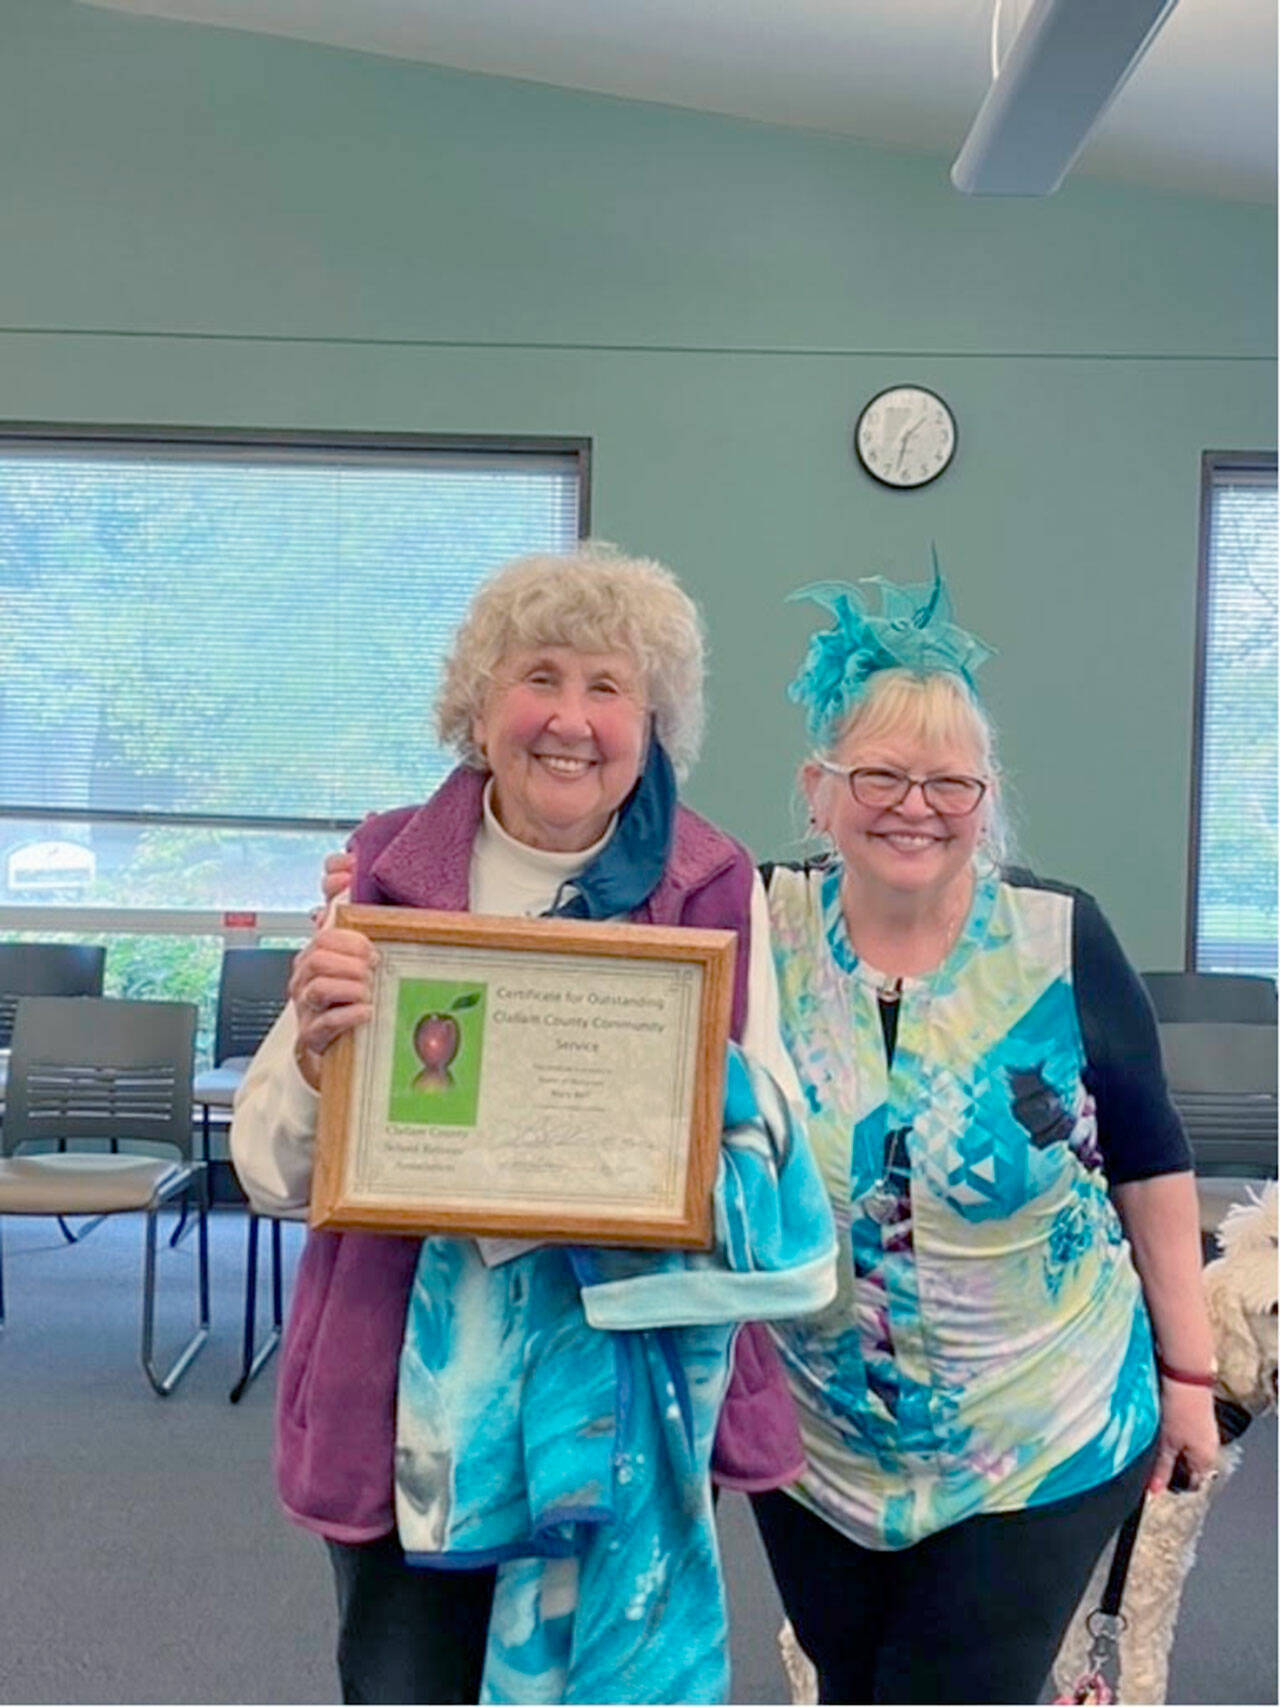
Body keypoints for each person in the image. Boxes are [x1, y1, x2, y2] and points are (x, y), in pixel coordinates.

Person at [230, 542, 836, 1706]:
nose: (570, 719)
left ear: (650, 720)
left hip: (629, 1393)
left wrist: (692, 1106)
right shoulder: (384, 877)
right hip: (412, 1406)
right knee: (407, 1683)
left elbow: (767, 1173)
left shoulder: (712, 887)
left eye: (608, 687)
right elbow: (266, 1167)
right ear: (477, 707)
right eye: (538, 677)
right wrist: (317, 1059)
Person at [750, 568, 1219, 1706]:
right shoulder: (754, 924)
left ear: (984, 795)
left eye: (947, 780)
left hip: (1037, 1426)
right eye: (878, 774)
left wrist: (1188, 1373)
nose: (914, 803)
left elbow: (1151, 1167)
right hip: (815, 1443)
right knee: (849, 1684)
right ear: (816, 790)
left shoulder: (1060, 939)